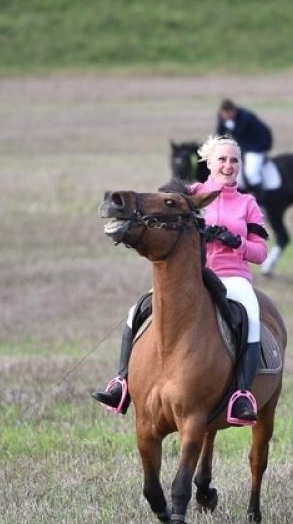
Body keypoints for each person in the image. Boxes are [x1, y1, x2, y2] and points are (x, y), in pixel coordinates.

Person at [93, 135, 270, 425]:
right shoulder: (190, 196)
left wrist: (235, 241)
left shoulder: (248, 204)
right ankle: (122, 382)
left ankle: (241, 395)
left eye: (234, 160)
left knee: (250, 314)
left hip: (233, 278)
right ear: (209, 163)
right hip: (190, 275)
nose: (228, 165)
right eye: (222, 159)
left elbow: (261, 253)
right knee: (135, 310)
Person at [215, 99, 274, 199]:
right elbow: (220, 134)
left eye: (227, 115)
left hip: (255, 147)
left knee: (252, 173)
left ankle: (261, 202)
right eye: (223, 115)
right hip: (241, 149)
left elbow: (238, 132)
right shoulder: (223, 117)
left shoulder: (246, 117)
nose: (225, 118)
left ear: (233, 111)